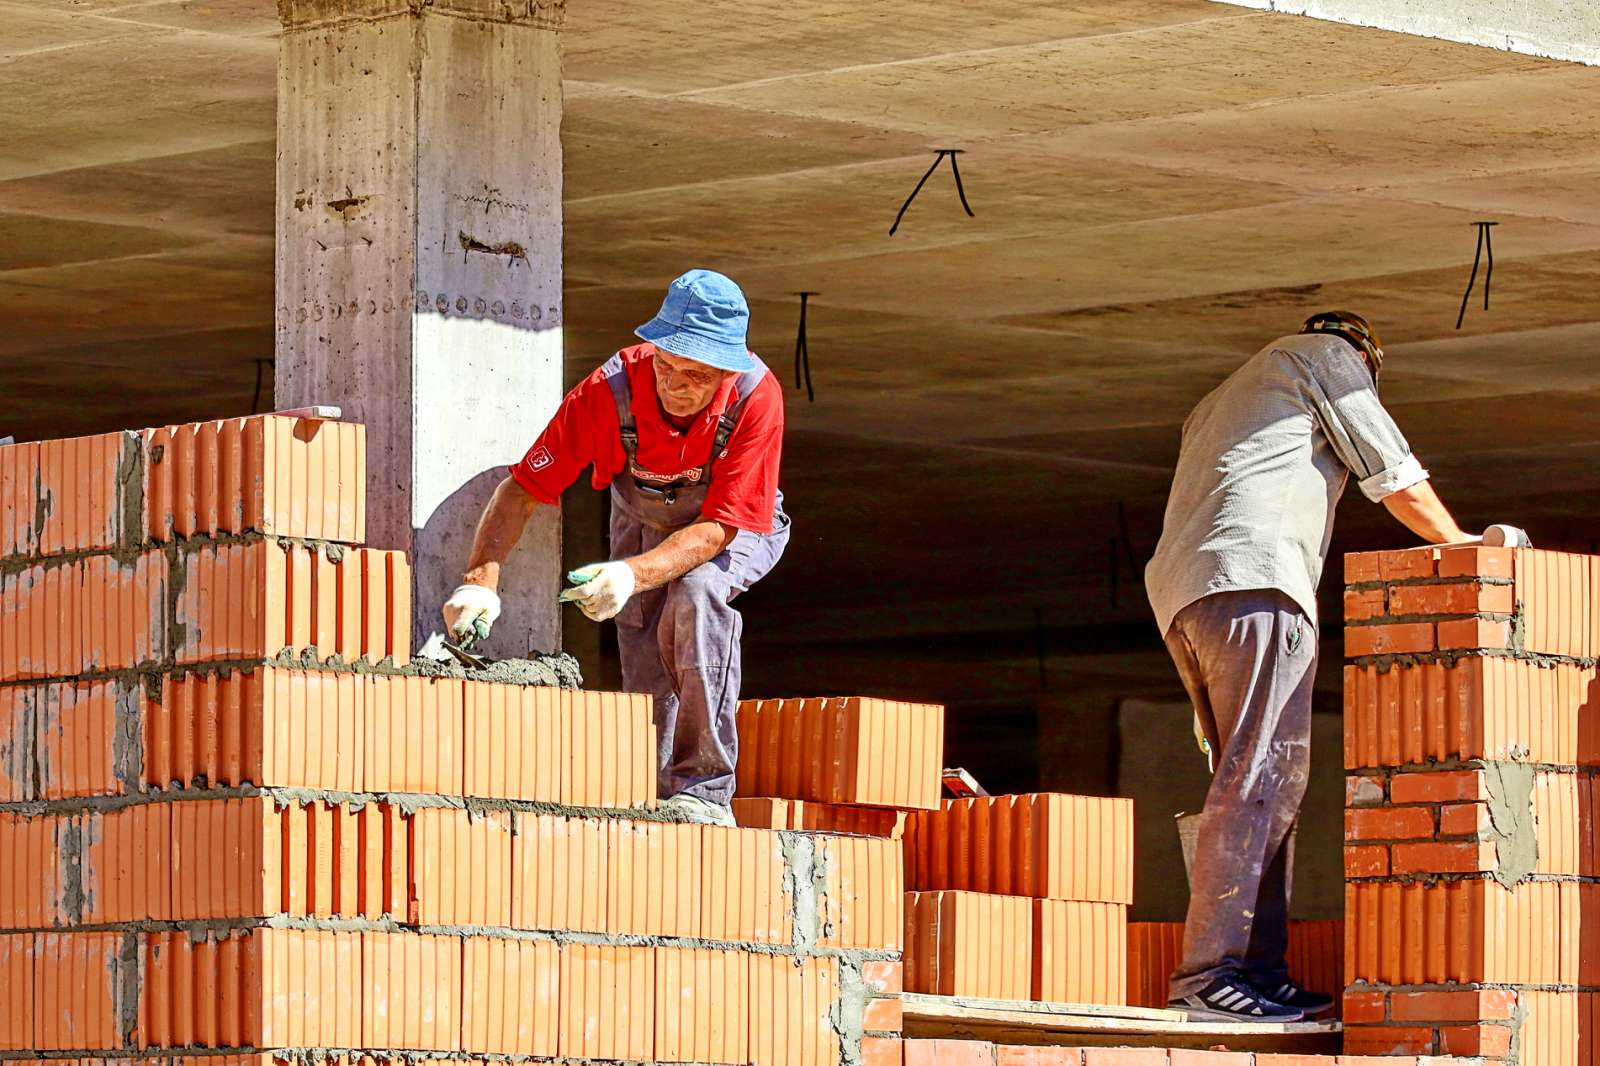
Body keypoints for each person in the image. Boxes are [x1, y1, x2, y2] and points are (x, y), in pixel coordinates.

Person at [1145, 311, 1484, 1022]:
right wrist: (1458, 542)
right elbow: (1391, 470)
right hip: (1258, 582)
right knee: (1259, 779)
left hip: (1190, 597)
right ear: (1366, 356)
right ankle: (1212, 977)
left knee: (1252, 781)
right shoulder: (1325, 357)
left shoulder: (1225, 397)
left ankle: (1255, 975)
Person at [442, 269, 789, 826]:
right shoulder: (611, 390)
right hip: (642, 521)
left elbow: (717, 530)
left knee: (697, 596)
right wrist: (478, 581)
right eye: (666, 365)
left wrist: (629, 575)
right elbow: (523, 489)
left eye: (696, 375)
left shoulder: (754, 398)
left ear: (727, 370)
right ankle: (653, 796)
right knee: (646, 647)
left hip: (734, 525)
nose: (675, 385)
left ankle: (705, 788)